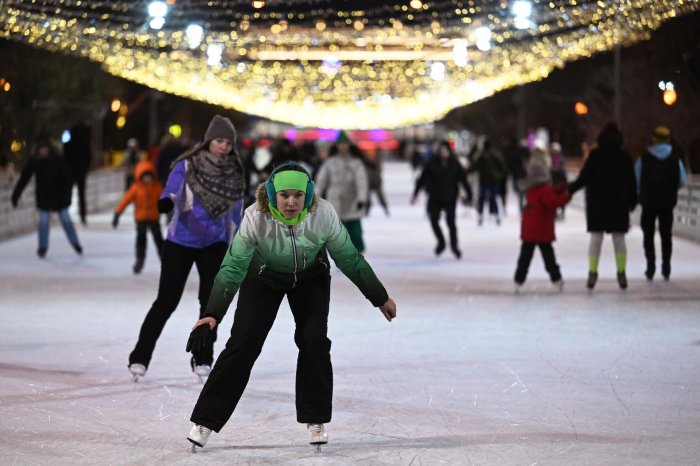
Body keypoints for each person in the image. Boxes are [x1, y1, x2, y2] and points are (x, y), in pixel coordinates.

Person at [184, 162, 397, 450]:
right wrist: (211, 314)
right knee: (243, 344)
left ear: (308, 195)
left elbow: (349, 258)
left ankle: (316, 418)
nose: (291, 202)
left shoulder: (322, 214)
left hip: (310, 279)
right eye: (284, 195)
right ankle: (206, 420)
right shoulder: (255, 217)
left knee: (314, 342)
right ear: (272, 195)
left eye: (298, 195)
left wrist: (379, 296)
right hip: (262, 278)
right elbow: (233, 266)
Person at [127, 115, 245, 382]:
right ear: (208, 140)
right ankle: (140, 357)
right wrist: (166, 203)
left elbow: (237, 208)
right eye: (219, 141)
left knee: (210, 305)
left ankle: (202, 357)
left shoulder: (233, 173)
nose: (223, 147)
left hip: (214, 243)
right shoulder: (187, 165)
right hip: (180, 241)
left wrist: (249, 233)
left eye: (228, 142)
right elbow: (172, 189)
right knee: (166, 301)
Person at [568, 122, 637, 290]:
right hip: (619, 203)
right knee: (619, 238)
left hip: (597, 202)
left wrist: (569, 190)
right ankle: (621, 272)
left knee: (596, 238)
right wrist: (633, 200)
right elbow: (631, 182)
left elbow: (584, 177)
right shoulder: (625, 156)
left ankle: (592, 272)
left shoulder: (595, 155)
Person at [11, 137, 83, 258]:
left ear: (49, 150)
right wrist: (16, 195)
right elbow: (24, 179)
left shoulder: (58, 161)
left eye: (45, 149)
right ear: (38, 150)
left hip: (60, 198)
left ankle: (75, 243)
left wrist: (67, 196)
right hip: (44, 198)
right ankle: (42, 247)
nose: (43, 152)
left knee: (66, 221)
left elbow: (68, 178)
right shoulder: (35, 162)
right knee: (43, 222)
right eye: (41, 150)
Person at [635, 125, 687, 281]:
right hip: (667, 202)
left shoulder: (644, 158)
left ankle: (650, 266)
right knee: (666, 235)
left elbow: (636, 179)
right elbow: (682, 181)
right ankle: (666, 266)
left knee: (648, 234)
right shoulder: (675, 159)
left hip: (648, 202)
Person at [514, 158, 571, 292]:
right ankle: (557, 279)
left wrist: (560, 188)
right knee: (549, 258)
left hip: (529, 230)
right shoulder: (544, 189)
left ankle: (518, 279)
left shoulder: (531, 188)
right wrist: (567, 196)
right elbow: (552, 201)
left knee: (525, 258)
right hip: (542, 231)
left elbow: (549, 194)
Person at [411, 140, 472, 258]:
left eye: (446, 151)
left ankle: (454, 246)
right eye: (441, 151)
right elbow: (422, 179)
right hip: (435, 196)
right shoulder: (432, 163)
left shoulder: (455, 164)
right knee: (434, 220)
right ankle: (441, 242)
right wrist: (415, 194)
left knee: (451, 222)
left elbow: (463, 180)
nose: (444, 153)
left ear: (449, 151)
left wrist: (470, 196)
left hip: (450, 197)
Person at [315, 130, 369, 252]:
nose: (343, 146)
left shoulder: (355, 163)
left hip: (352, 201)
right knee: (339, 232)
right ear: (337, 146)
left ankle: (358, 252)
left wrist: (362, 198)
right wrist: (316, 196)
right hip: (335, 202)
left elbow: (361, 181)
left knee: (355, 231)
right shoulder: (330, 163)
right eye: (341, 144)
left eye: (345, 144)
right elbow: (321, 181)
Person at [112, 160, 164, 274]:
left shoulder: (156, 187)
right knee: (141, 239)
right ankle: (139, 260)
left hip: (154, 217)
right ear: (140, 176)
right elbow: (125, 200)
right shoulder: (136, 188)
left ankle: (165, 260)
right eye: (145, 177)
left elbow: (165, 199)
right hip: (141, 218)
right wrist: (117, 213)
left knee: (158, 239)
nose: (147, 179)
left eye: (149, 176)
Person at [466, 137, 508, 226]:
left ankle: (485, 215)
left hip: (486, 180)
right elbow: (502, 167)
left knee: (484, 198)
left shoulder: (482, 156)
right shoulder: (492, 155)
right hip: (490, 180)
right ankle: (493, 215)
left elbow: (474, 167)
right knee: (492, 198)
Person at [62, 121, 91, 225]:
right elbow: (88, 157)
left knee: (68, 193)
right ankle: (82, 216)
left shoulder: (69, 144)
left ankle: (66, 215)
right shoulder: (84, 144)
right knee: (81, 194)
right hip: (80, 172)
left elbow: (64, 157)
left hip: (71, 172)